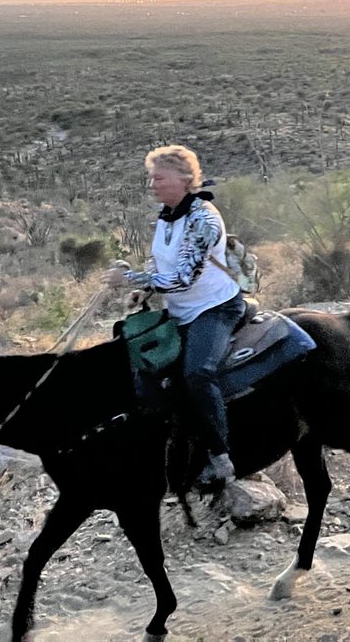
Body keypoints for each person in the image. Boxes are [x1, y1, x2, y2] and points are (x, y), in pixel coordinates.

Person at [104, 144, 243, 488]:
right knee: (145, 371)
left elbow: (184, 276)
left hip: (214, 307)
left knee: (198, 372)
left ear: (184, 179)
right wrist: (146, 288)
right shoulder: (167, 215)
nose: (152, 184)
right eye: (150, 178)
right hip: (181, 309)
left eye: (159, 178)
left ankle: (221, 457)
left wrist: (129, 279)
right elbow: (160, 264)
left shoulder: (203, 218)